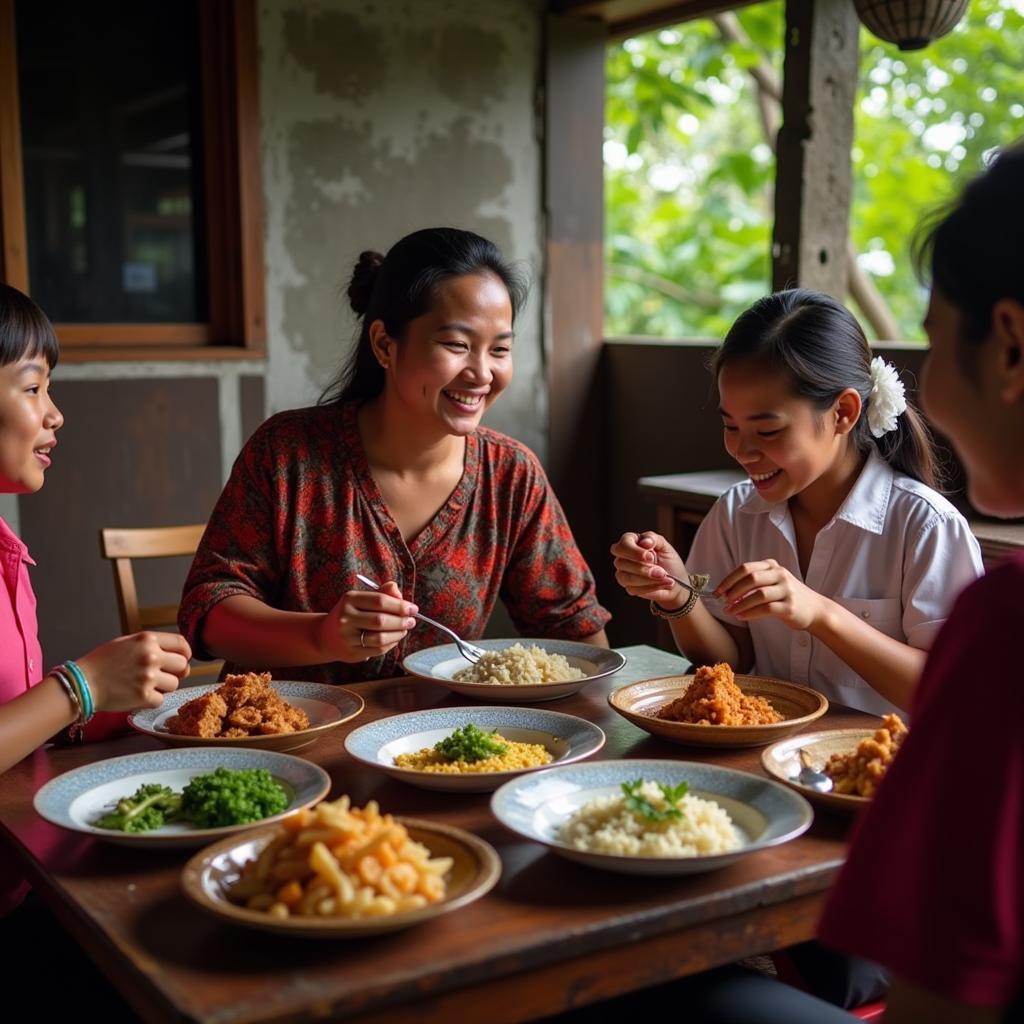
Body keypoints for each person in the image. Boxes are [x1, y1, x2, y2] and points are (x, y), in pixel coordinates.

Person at [179, 227, 610, 684]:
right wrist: (321, 636)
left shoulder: (511, 475)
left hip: (434, 745)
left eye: (500, 349)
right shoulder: (288, 453)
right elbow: (209, 608)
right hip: (285, 735)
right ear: (385, 344)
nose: (482, 373)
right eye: (457, 345)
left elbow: (574, 631)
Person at [816, 141, 1024, 1023]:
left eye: (934, 343)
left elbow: (940, 1003)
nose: (929, 388)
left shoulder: (1004, 630)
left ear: (1010, 346)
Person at [611, 288, 983, 715]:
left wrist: (821, 614)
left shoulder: (924, 527)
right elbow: (730, 663)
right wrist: (677, 595)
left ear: (843, 412)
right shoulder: (736, 514)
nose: (742, 451)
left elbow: (956, 693)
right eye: (730, 426)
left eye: (767, 431)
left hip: (877, 769)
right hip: (766, 760)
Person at [0, 282, 191, 920]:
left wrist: (109, 702)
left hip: (26, 877)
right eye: (32, 388)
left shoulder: (7, 550)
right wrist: (81, 684)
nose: (54, 414)